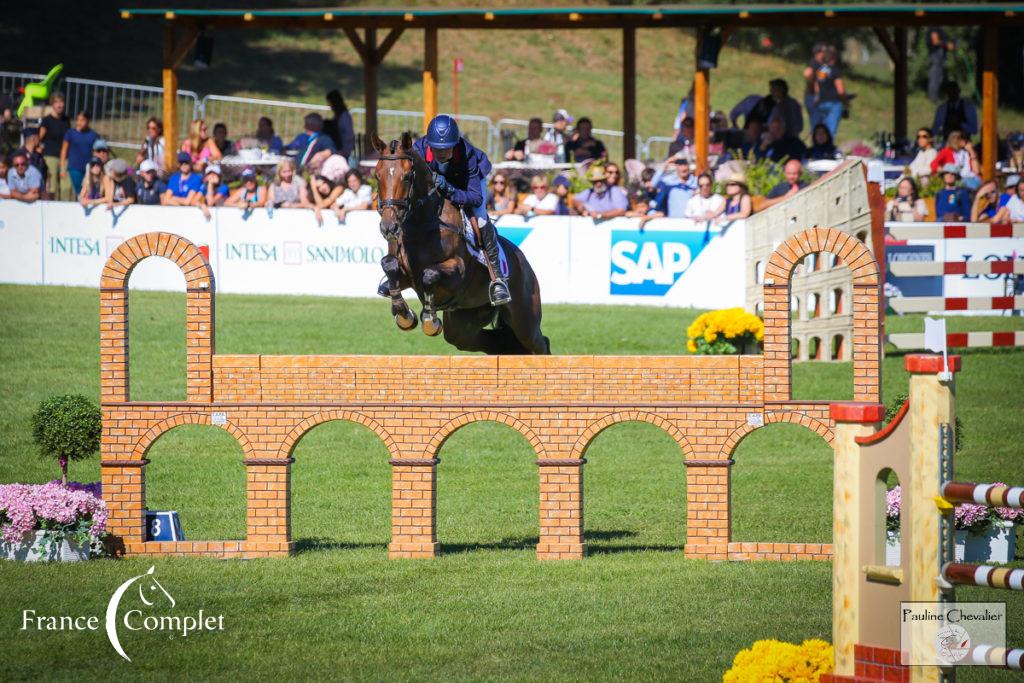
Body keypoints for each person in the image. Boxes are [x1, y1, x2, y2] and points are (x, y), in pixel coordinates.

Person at [411, 114, 509, 306]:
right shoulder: (419, 151)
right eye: (437, 148)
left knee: (480, 219)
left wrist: (448, 188)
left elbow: (474, 197)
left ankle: (498, 280)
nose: (441, 152)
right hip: (438, 185)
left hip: (467, 183)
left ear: (454, 144)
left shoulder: (468, 156)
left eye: (446, 148)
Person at [806, 45, 848, 137]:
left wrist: (816, 97)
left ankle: (818, 149)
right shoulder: (835, 70)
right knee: (830, 132)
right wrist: (845, 102)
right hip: (834, 103)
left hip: (821, 102)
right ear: (834, 57)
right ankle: (828, 150)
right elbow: (840, 90)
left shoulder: (821, 70)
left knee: (819, 131)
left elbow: (815, 84)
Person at [60, 111, 99, 198]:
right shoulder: (71, 133)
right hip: (74, 167)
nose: (79, 122)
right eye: (78, 120)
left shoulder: (93, 135)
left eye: (82, 120)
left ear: (88, 121)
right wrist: (62, 167)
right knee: (78, 190)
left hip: (88, 167)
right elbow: (64, 150)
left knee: (88, 189)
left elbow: (96, 152)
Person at [39, 93, 70, 200]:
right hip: (50, 155)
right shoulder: (47, 120)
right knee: (53, 186)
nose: (59, 105)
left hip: (64, 156)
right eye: (56, 102)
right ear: (52, 104)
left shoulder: (66, 120)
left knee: (67, 185)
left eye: (61, 102)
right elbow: (39, 138)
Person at [322, 90, 355, 159]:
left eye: (330, 103)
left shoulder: (344, 117)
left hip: (343, 150)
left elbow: (349, 135)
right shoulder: (338, 116)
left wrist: (343, 151)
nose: (330, 106)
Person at [927, 28, 954, 103]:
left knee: (938, 77)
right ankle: (933, 98)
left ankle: (934, 97)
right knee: (935, 77)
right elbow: (935, 41)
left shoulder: (937, 28)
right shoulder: (935, 27)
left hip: (938, 54)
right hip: (936, 54)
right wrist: (946, 44)